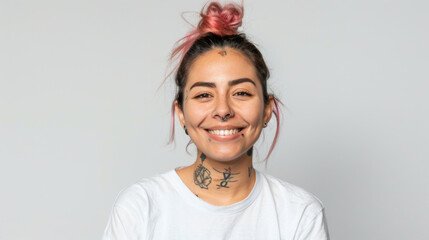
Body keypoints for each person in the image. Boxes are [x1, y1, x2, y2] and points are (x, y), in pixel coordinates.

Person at [103, 1, 329, 239]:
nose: (223, 110)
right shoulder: (141, 207)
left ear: (266, 109)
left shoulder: (300, 213)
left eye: (241, 93)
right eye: (204, 95)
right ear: (181, 113)